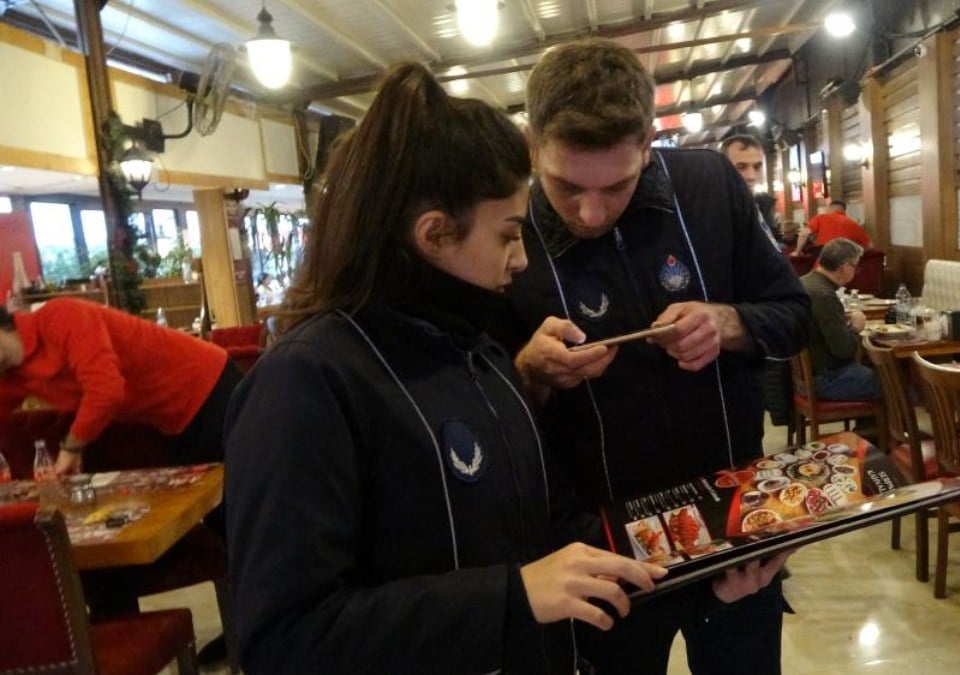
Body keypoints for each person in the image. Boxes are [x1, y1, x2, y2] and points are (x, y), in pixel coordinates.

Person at [222, 62, 665, 675]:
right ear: (433, 234)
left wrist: (693, 559)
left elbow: (546, 524)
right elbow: (286, 639)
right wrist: (512, 597)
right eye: (510, 234)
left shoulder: (479, 355)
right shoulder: (308, 382)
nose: (521, 259)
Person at [495, 38, 811, 675]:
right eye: (564, 185)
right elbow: (477, 412)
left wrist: (729, 322)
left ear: (647, 143)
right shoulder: (505, 225)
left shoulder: (707, 184)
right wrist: (528, 372)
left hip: (734, 533)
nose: (590, 211)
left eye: (616, 186)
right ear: (533, 145)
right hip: (595, 550)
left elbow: (794, 316)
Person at [0, 298, 242, 475]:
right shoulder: (10, 375)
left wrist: (71, 449)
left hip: (210, 383)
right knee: (218, 510)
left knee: (241, 501)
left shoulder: (61, 316)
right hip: (169, 419)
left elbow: (105, 390)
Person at [799, 239, 881, 401]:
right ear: (844, 266)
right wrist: (856, 327)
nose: (856, 271)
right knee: (896, 382)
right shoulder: (824, 295)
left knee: (876, 371)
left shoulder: (804, 282)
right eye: (855, 266)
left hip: (806, 375)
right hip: (828, 378)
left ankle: (868, 425)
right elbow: (843, 350)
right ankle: (900, 426)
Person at [720, 133, 782, 248]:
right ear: (722, 168)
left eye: (757, 167)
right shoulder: (708, 212)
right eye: (741, 167)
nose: (751, 176)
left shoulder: (763, 207)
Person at [804, 199, 872, 248]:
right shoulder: (853, 223)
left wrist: (797, 252)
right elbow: (869, 245)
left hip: (825, 260)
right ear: (844, 210)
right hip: (845, 261)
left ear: (830, 208)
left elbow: (804, 234)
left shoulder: (820, 218)